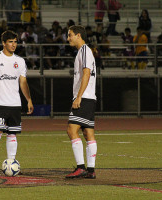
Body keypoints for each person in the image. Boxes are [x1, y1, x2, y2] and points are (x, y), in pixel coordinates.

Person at [0, 30, 34, 175]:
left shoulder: (20, 61)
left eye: (15, 42)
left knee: (12, 134)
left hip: (15, 104)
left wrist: (29, 100)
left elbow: (23, 82)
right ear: (3, 43)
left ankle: (11, 162)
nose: (14, 45)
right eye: (10, 42)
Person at [65, 25, 97, 179]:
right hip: (90, 97)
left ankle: (80, 168)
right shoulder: (84, 51)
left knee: (71, 130)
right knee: (88, 133)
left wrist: (78, 97)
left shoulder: (84, 50)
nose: (68, 38)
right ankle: (90, 170)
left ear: (78, 35)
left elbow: (86, 74)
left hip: (84, 97)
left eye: (70, 35)